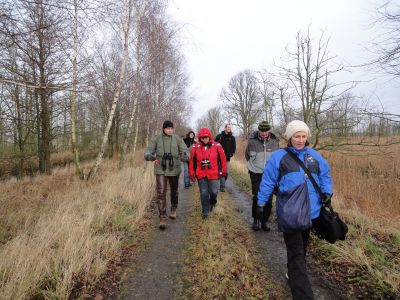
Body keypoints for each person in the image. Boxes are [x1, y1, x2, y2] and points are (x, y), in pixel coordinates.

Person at [256, 120, 333, 300]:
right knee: (297, 254)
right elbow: (267, 181)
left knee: (301, 248)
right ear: (289, 137)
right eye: (296, 136)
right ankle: (303, 294)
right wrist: (261, 203)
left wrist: (327, 192)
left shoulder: (315, 156)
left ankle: (292, 272)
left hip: (311, 213)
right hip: (290, 213)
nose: (300, 140)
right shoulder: (278, 157)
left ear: (307, 137)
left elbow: (325, 174)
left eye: (303, 136)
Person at [144, 120, 188, 230]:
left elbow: (185, 151)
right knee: (161, 192)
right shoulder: (156, 139)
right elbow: (148, 150)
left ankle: (173, 208)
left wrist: (185, 156)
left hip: (174, 168)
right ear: (163, 129)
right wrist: (149, 156)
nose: (170, 130)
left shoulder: (178, 139)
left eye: (171, 128)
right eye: (168, 128)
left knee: (174, 190)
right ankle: (162, 216)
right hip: (160, 168)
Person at [245, 121, 279, 231]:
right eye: (262, 131)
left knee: (269, 198)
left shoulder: (275, 142)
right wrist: (253, 166)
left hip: (270, 174)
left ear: (269, 130)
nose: (264, 133)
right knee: (257, 197)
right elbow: (247, 155)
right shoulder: (251, 141)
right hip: (255, 172)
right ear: (259, 131)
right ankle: (256, 220)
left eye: (266, 131)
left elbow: (277, 158)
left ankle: (265, 221)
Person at [189, 128, 227, 219]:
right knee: (204, 193)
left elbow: (223, 159)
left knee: (214, 192)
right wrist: (191, 173)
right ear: (200, 138)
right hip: (201, 174)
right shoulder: (195, 147)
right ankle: (205, 211)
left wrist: (224, 171)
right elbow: (191, 160)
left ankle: (213, 201)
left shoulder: (217, 145)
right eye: (202, 137)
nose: (204, 139)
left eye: (206, 137)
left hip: (213, 173)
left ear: (209, 136)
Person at [215, 123, 236, 192]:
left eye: (230, 128)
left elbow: (234, 147)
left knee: (226, 172)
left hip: (227, 158)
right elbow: (214, 145)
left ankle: (222, 181)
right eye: (228, 127)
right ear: (225, 128)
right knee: (219, 171)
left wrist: (231, 153)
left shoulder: (232, 138)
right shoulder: (219, 136)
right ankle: (222, 186)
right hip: (218, 157)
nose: (229, 129)